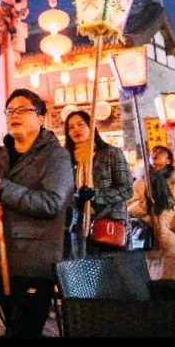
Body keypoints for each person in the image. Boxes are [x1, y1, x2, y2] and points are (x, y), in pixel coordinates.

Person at [0, 89, 74, 337]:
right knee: (10, 328)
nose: (15, 114)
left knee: (25, 332)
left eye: (23, 109)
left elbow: (53, 203)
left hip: (34, 263)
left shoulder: (56, 156)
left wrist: (4, 189)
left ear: (41, 117)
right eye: (10, 110)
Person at [127, 146, 175, 281]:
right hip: (149, 239)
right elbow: (129, 208)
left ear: (168, 160)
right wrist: (145, 204)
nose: (154, 155)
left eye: (160, 153)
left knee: (172, 280)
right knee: (151, 281)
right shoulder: (141, 183)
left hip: (174, 238)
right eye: (153, 152)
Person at [64, 109, 132, 255]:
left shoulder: (111, 153)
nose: (76, 129)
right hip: (81, 227)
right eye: (71, 127)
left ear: (91, 126)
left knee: (111, 273)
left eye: (80, 124)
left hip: (109, 223)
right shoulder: (67, 160)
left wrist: (96, 195)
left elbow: (126, 189)